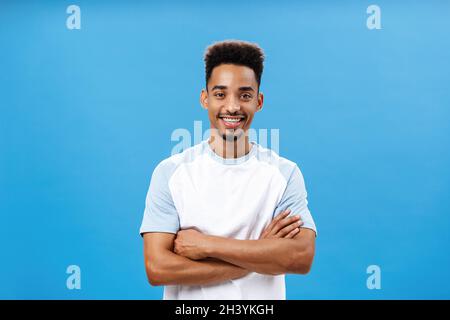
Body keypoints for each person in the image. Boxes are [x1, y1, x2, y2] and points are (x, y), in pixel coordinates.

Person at [140, 40, 317, 299]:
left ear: (259, 101)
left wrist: (206, 245)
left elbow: (300, 258)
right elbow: (157, 268)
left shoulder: (284, 174)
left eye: (245, 95)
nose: (232, 106)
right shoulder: (170, 173)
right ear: (205, 98)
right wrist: (262, 252)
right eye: (220, 94)